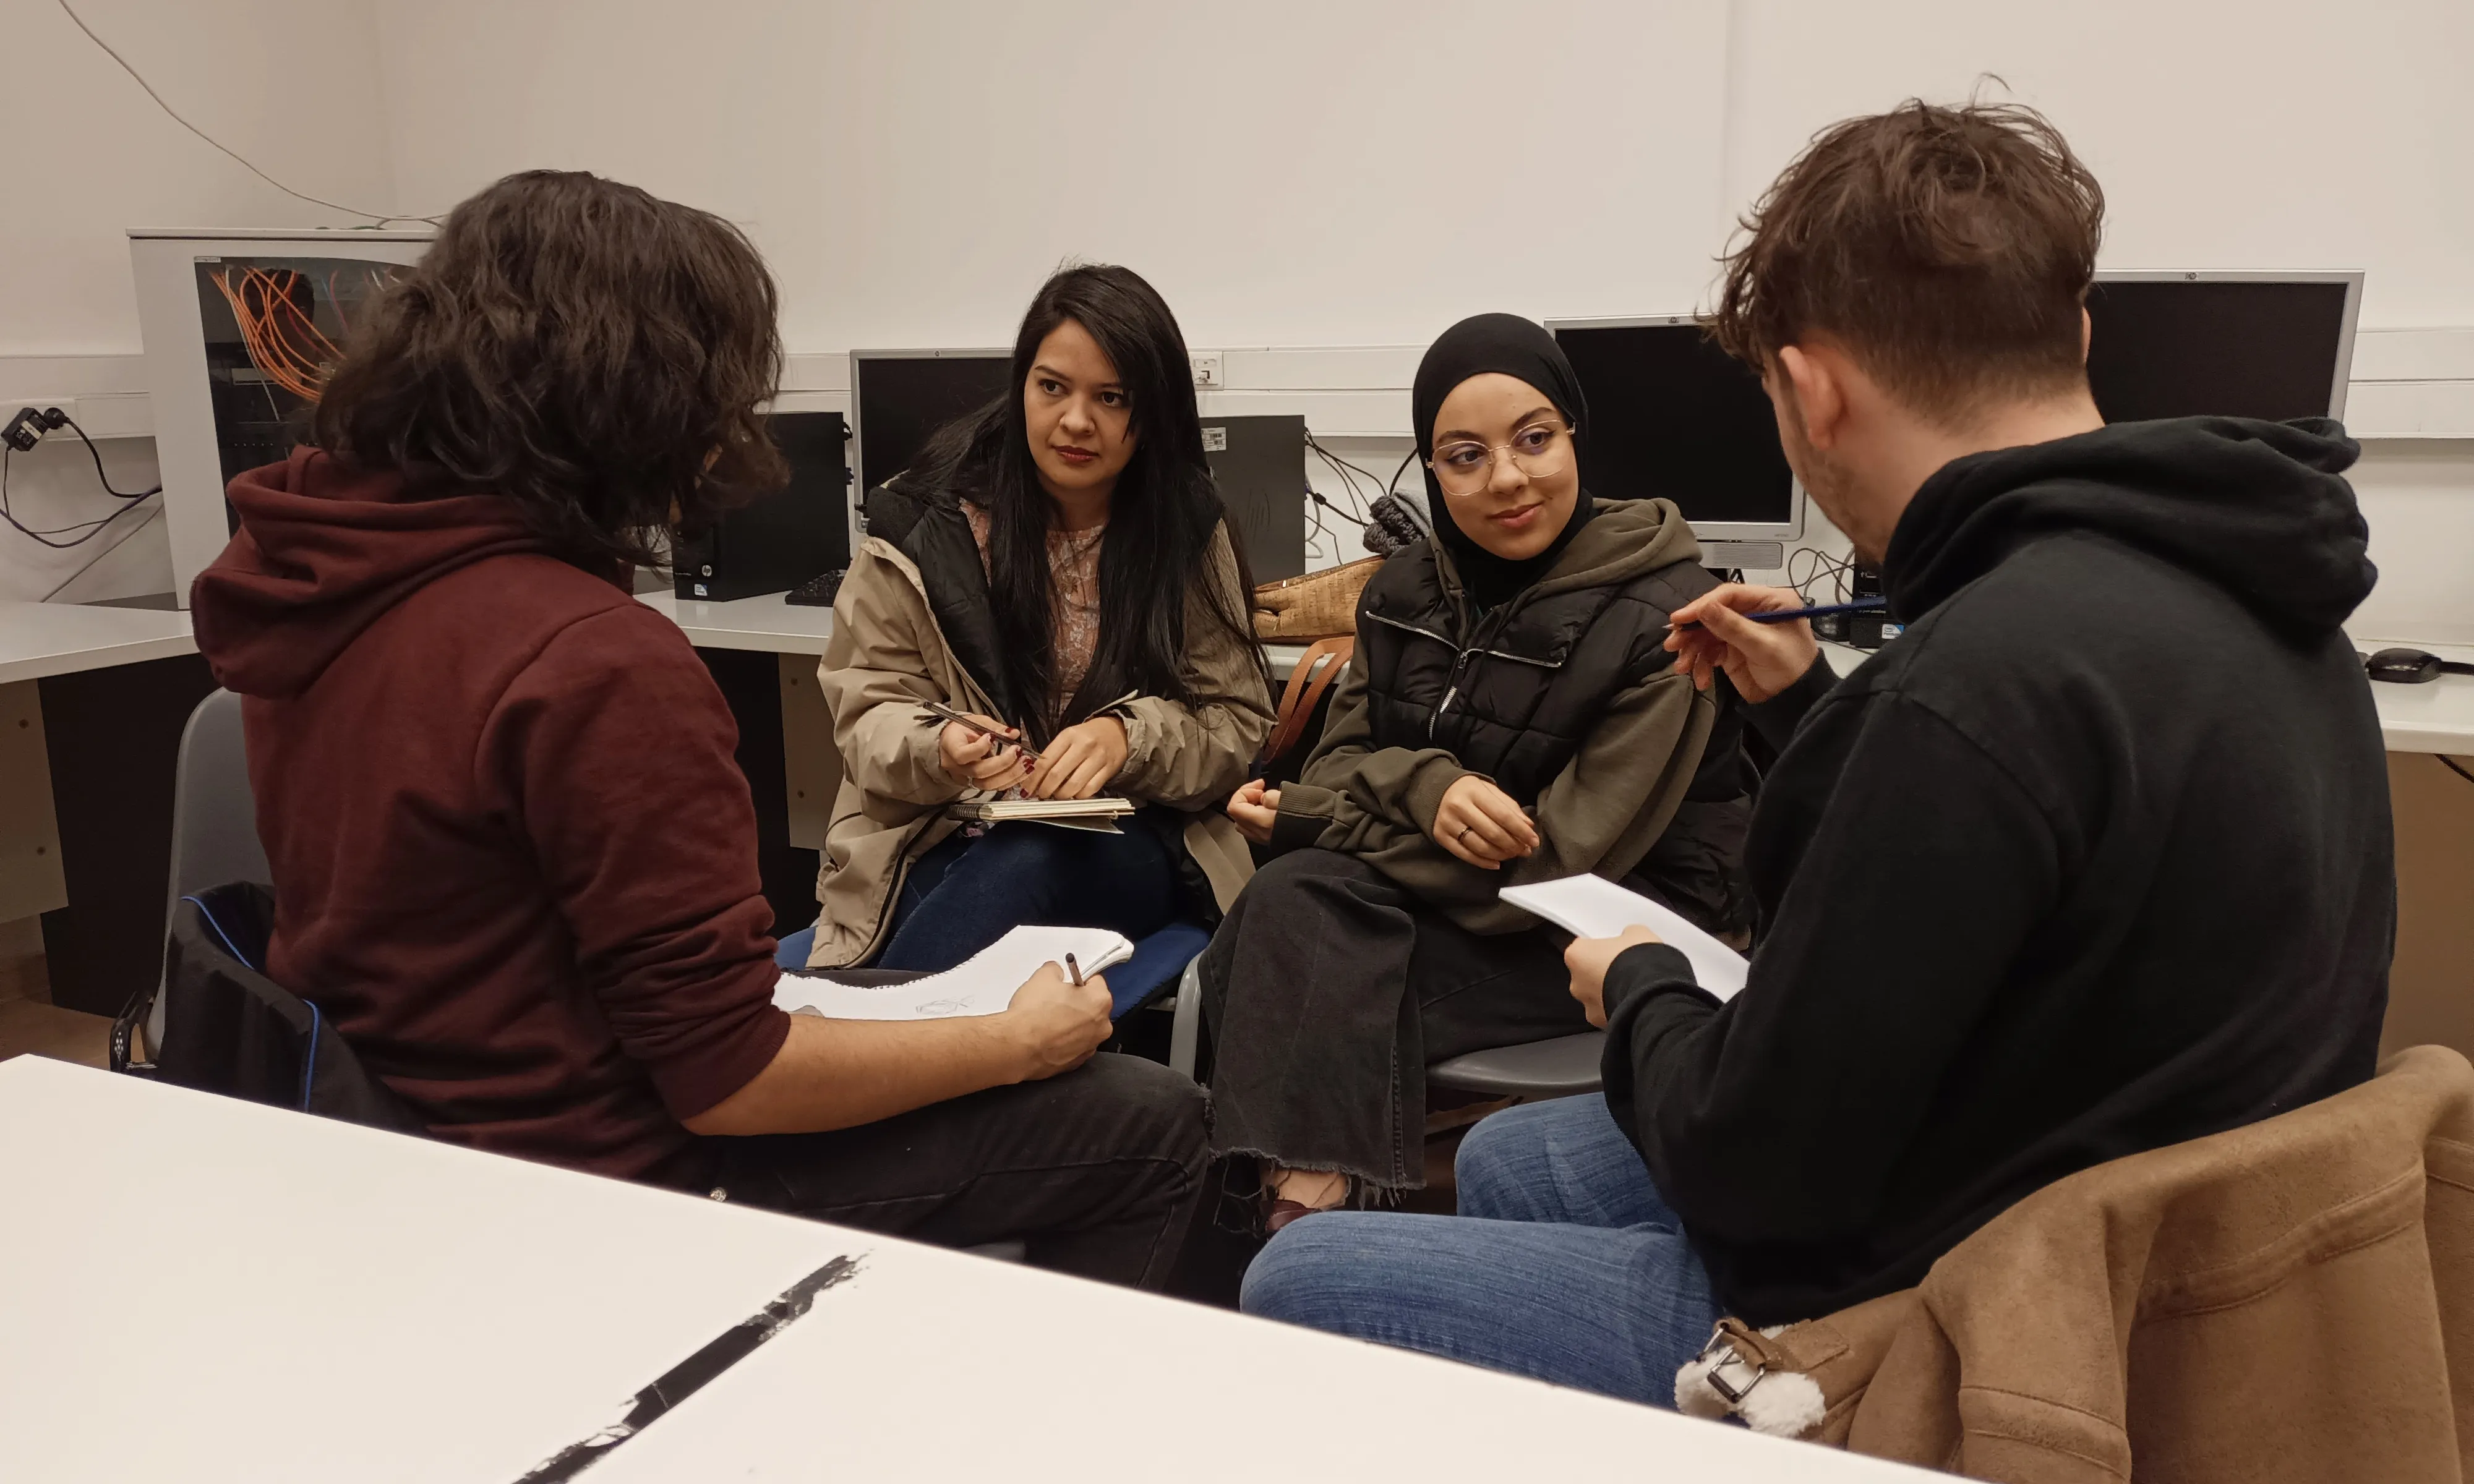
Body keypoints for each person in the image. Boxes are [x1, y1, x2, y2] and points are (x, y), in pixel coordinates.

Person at [1239, 98, 2395, 1397]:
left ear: (1808, 390)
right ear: (2072, 333)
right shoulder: (2272, 602)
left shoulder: (1964, 691)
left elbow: (1753, 1176)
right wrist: (1804, 709)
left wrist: (1635, 989)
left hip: (1955, 1316)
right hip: (2161, 1251)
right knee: (1509, 1163)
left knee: (1298, 1280)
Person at [187, 171, 1209, 1290]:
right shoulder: (592, 658)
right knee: (1153, 1122)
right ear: (635, 398)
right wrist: (1015, 1045)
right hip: (607, 1176)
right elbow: (729, 1077)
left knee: (911, 977)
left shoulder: (316, 580)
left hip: (401, 1131)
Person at [1205, 313, 1753, 1227]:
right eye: (1465, 456)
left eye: (1535, 440)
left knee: (1281, 944)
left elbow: (1558, 862)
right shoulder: (1402, 591)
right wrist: (1428, 787)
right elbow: (1339, 758)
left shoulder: (1669, 618)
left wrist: (1320, 820)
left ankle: (1297, 1224)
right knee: (1293, 912)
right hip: (1451, 901)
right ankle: (1318, 1222)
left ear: (1576, 433)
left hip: (1619, 925)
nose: (1506, 478)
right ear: (1430, 468)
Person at [801, 265, 1273, 977]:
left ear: (1152, 414)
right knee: (928, 917)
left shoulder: (1184, 525)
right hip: (946, 827)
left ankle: (867, 1060)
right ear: (1021, 383)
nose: (1075, 421)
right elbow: (867, 713)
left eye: (1111, 398)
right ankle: (874, 1054)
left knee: (1025, 865)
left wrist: (1128, 739)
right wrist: (941, 747)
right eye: (1052, 387)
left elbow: (1235, 725)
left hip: (1133, 834)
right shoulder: (921, 521)